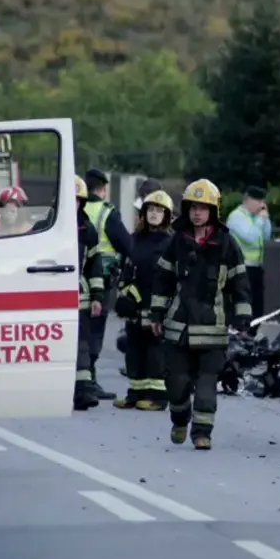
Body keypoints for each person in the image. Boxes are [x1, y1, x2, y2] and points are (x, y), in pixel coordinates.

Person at [150, 179, 252, 450]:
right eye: (193, 207)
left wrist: (242, 317)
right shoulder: (176, 242)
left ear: (213, 211)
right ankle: (180, 418)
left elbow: (240, 283)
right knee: (176, 382)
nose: (197, 213)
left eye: (203, 208)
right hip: (179, 326)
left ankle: (202, 432)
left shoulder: (227, 244)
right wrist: (156, 314)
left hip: (212, 328)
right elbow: (163, 280)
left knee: (207, 383)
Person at [113, 190, 175, 410]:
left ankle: (157, 397)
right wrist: (123, 294)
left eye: (159, 211)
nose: (154, 214)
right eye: (150, 210)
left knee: (155, 351)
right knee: (134, 349)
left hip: (157, 306)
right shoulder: (135, 239)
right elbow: (127, 268)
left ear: (167, 216)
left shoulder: (171, 242)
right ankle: (135, 393)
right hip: (135, 306)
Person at [82, 168, 133, 400]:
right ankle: (89, 379)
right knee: (95, 330)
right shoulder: (107, 212)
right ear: (102, 189)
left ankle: (81, 378)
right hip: (99, 277)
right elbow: (127, 245)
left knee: (81, 328)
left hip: (74, 277)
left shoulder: (75, 207)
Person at [75, 175, 106, 411]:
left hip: (80, 295)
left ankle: (84, 390)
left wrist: (97, 297)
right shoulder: (47, 224)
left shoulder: (87, 228)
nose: (73, 204)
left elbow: (94, 266)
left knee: (82, 343)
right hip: (54, 296)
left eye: (77, 200)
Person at [225, 185, 271, 323]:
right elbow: (250, 237)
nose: (261, 205)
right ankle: (240, 332)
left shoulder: (256, 217)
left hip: (256, 267)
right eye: (258, 201)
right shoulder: (236, 217)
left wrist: (265, 219)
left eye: (263, 201)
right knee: (243, 302)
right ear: (247, 200)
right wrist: (260, 220)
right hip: (241, 267)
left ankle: (252, 333)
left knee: (257, 304)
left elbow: (266, 236)